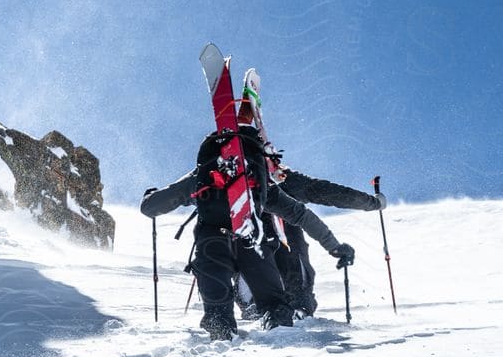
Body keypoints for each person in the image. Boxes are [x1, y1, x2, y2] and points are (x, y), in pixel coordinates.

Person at [142, 126, 355, 340]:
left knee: (218, 318)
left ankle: (220, 347)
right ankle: (282, 351)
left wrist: (150, 196)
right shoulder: (258, 183)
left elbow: (149, 208)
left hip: (211, 244)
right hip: (252, 243)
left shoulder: (202, 177)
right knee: (276, 308)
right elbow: (302, 215)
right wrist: (334, 246)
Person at [267, 153, 383, 315]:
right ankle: (298, 307)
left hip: (249, 278)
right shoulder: (280, 177)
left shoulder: (227, 178)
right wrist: (373, 203)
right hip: (292, 275)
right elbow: (330, 193)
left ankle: (265, 309)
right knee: (299, 296)